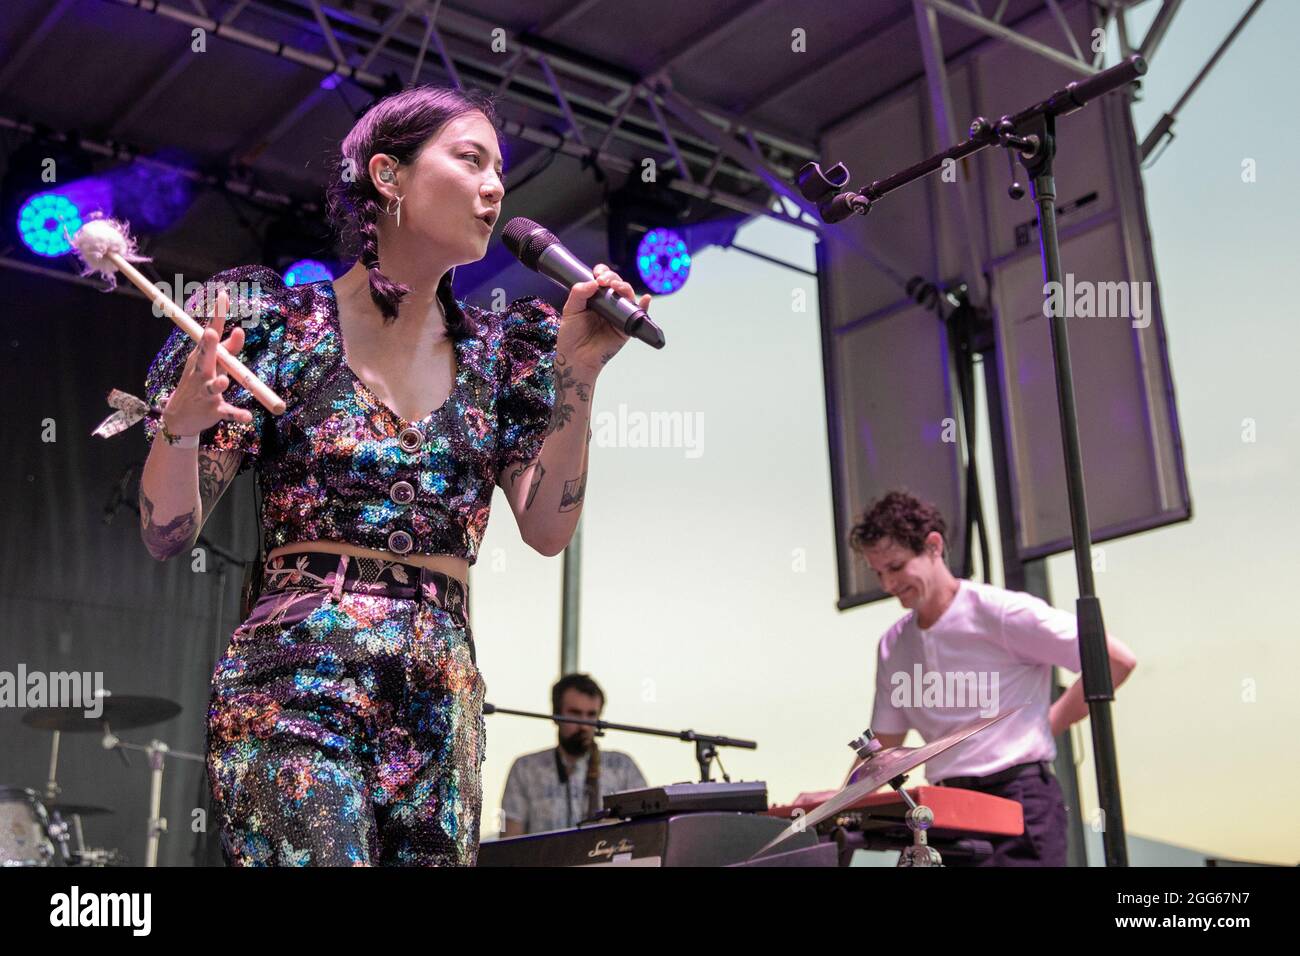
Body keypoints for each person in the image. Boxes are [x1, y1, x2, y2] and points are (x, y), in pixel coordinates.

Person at [137, 85, 652, 866]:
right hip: (297, 678)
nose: (494, 187)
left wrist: (577, 373)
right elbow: (166, 530)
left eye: (500, 171)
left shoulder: (500, 355)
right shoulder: (279, 324)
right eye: (469, 159)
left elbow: (547, 528)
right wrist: (180, 426)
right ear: (388, 175)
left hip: (440, 688)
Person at [843, 490, 1137, 866]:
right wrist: (834, 807)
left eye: (896, 567)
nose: (887, 584)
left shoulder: (1001, 613)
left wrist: (1049, 722)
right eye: (878, 572)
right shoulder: (893, 646)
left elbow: (1115, 660)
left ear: (934, 546)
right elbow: (883, 745)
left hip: (1020, 803)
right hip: (946, 813)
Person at [499, 673, 647, 836]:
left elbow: (646, 835)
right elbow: (509, 840)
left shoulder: (623, 767)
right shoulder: (525, 769)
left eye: (591, 715)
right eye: (575, 713)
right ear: (556, 715)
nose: (584, 725)